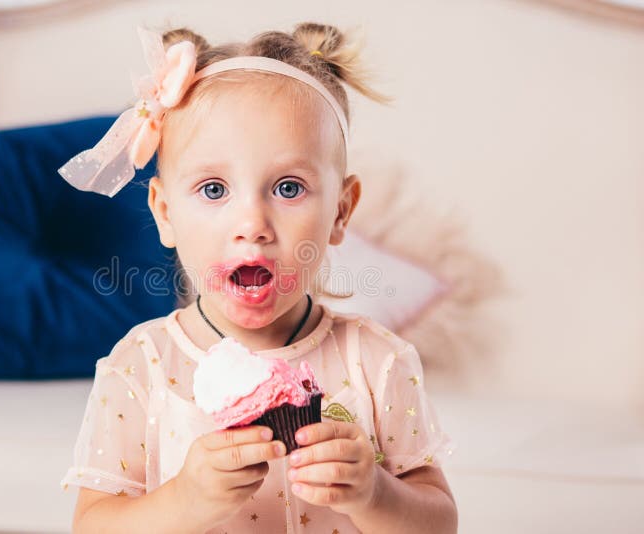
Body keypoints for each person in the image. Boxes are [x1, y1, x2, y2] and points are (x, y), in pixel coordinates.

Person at [59, 22, 457, 533]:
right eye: (213, 189)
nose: (252, 225)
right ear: (163, 213)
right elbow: (92, 526)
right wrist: (184, 502)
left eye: (288, 188)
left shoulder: (376, 363)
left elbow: (439, 524)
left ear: (341, 211)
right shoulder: (141, 367)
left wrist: (376, 494)